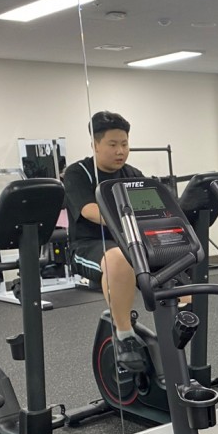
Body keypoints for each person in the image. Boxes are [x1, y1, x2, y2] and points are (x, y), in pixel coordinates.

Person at [63, 111, 146, 371]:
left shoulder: (133, 174)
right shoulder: (79, 173)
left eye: (124, 144)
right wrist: (127, 220)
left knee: (180, 253)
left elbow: (148, 210)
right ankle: (124, 336)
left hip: (130, 245)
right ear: (95, 145)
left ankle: (183, 321)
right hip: (87, 247)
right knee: (119, 259)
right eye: (113, 144)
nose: (120, 151)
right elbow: (89, 210)